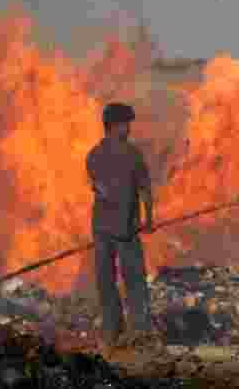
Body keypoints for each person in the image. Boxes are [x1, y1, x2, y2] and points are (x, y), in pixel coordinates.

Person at [86, 102, 156, 348]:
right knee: (130, 280)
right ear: (114, 126)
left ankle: (120, 331)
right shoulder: (131, 154)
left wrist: (146, 219)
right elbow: (145, 189)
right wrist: (147, 219)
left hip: (106, 228)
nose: (129, 129)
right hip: (121, 230)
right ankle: (133, 331)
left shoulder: (94, 155)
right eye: (126, 124)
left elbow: (102, 189)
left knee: (111, 281)